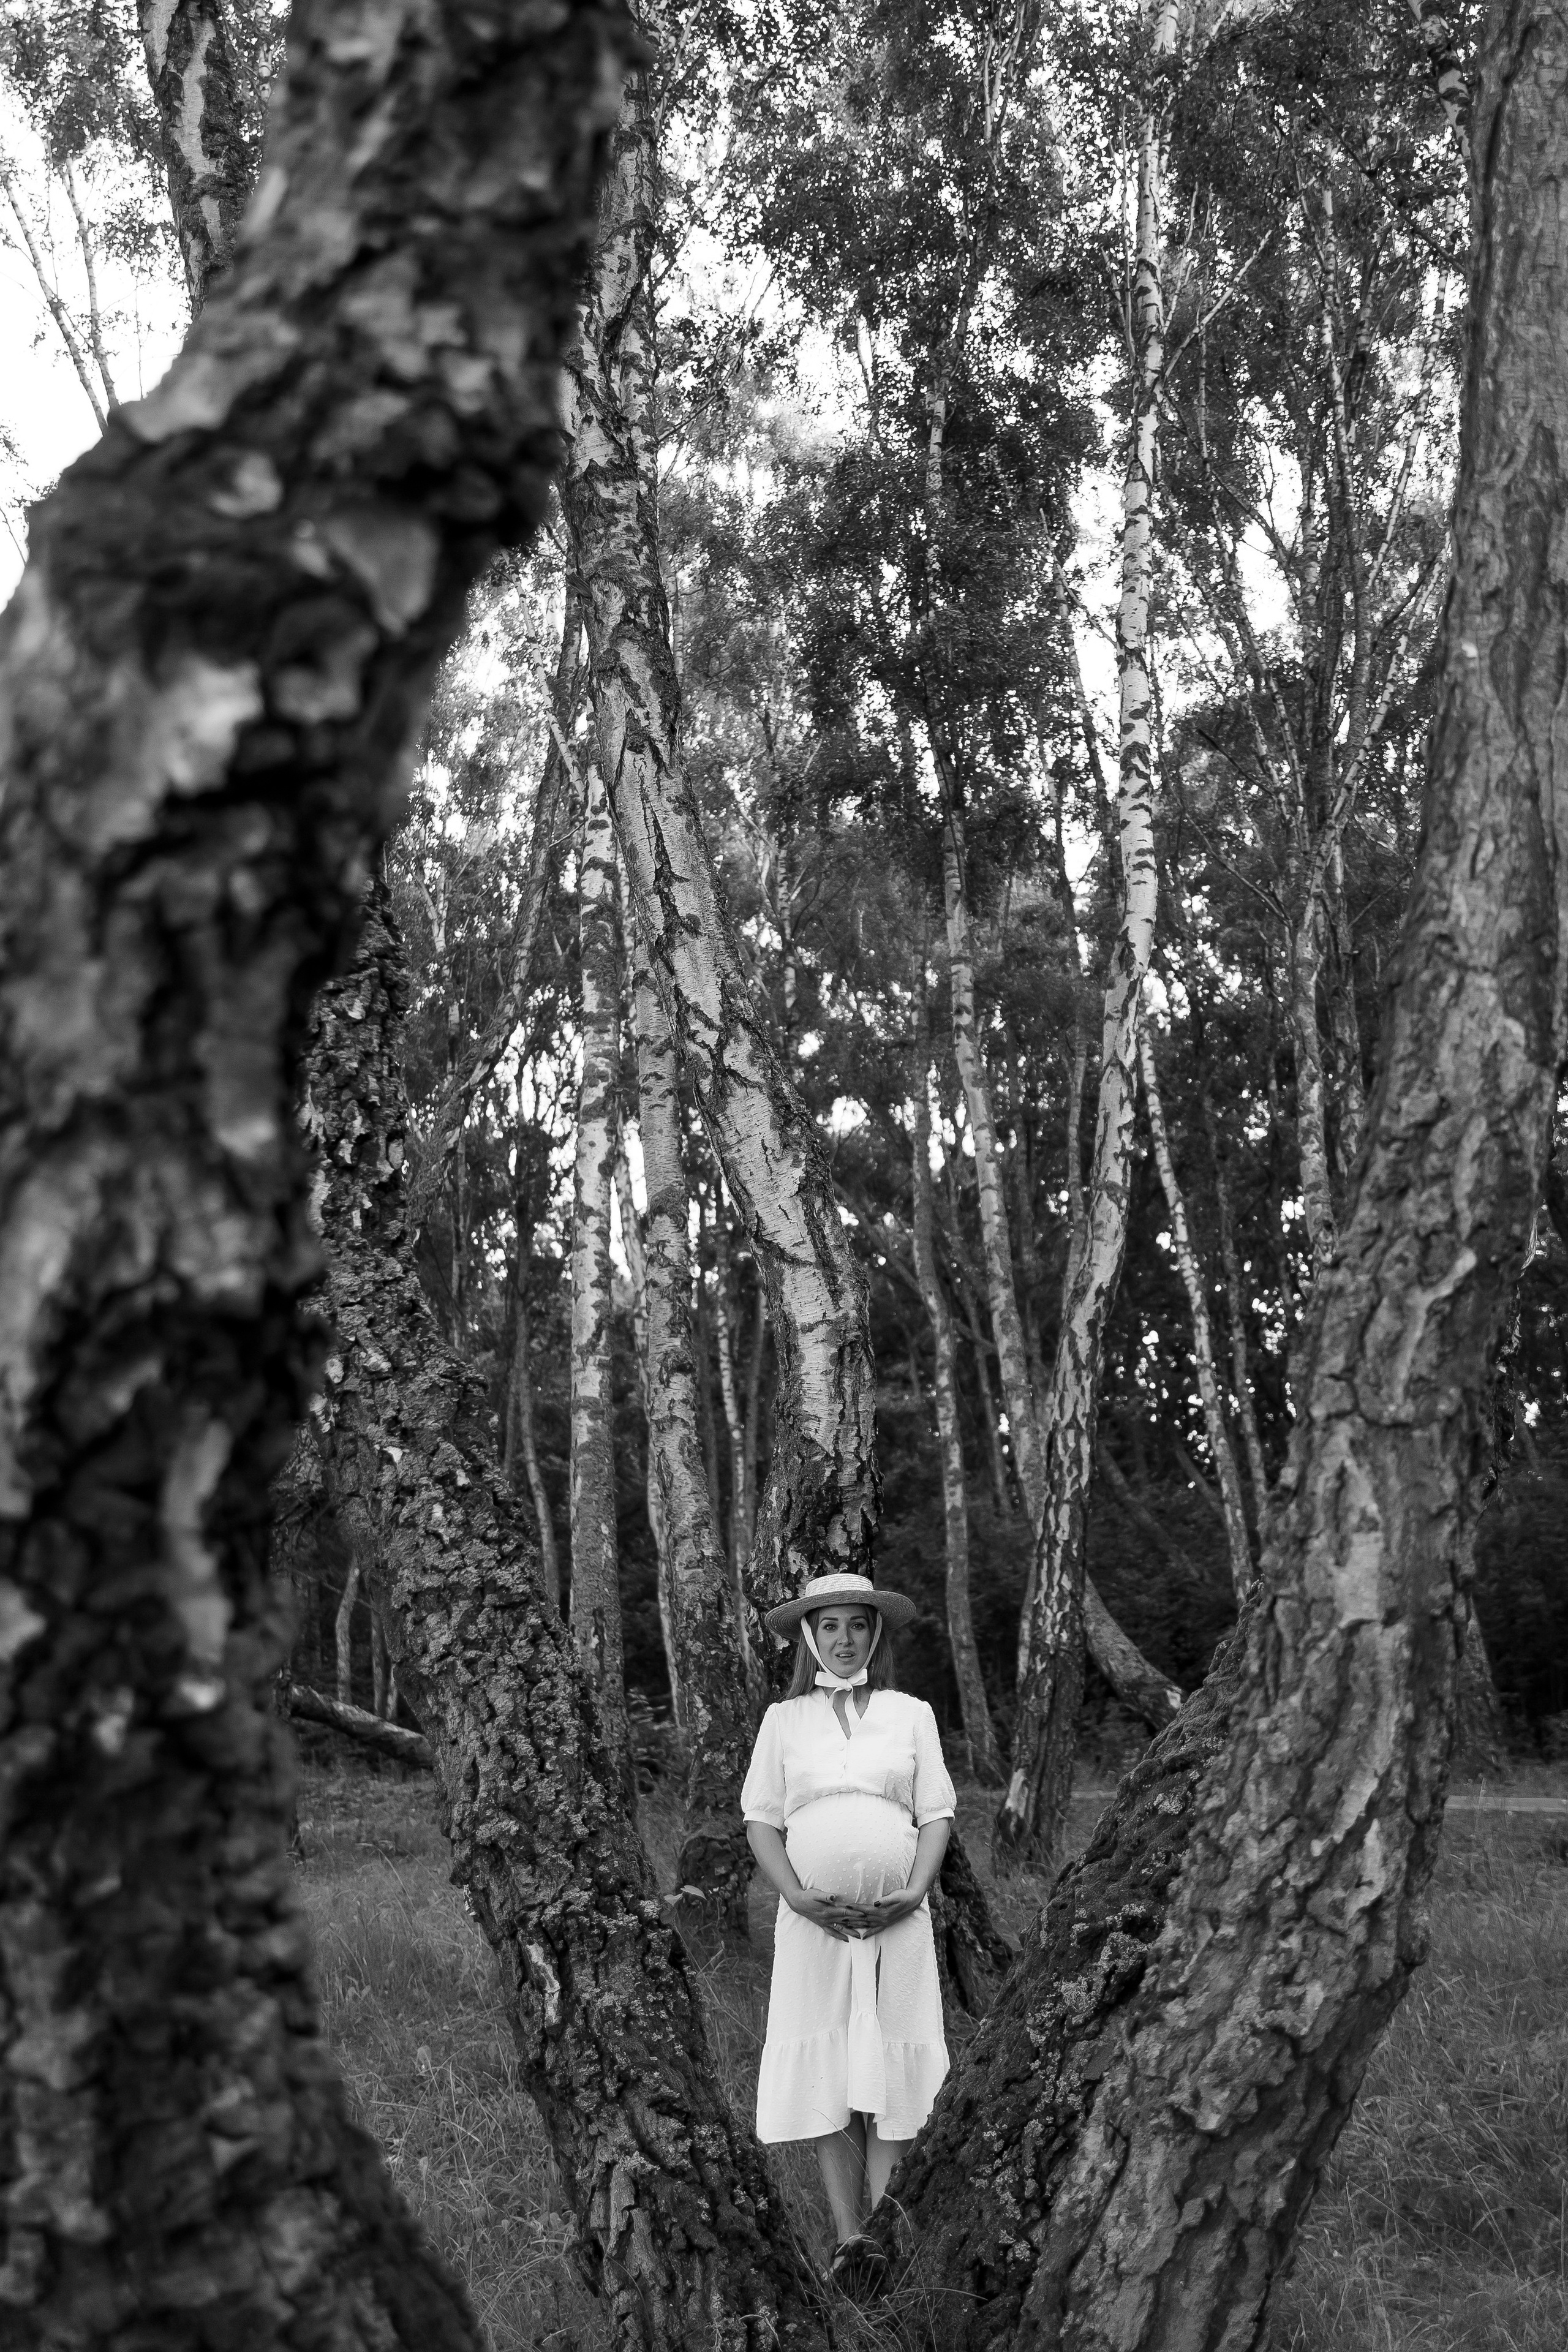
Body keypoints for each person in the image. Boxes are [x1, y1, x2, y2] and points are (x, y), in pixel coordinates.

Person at [741, 1570, 956, 2293]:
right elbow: (762, 1818)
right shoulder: (784, 1720)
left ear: (874, 1634)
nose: (843, 1638)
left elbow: (936, 1814)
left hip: (898, 1919)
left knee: (890, 2071)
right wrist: (797, 1896)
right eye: (829, 1626)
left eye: (857, 1625)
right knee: (832, 2068)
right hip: (815, 1926)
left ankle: (888, 2232)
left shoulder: (909, 1713)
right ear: (809, 1635)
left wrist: (914, 1892)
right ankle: (848, 2241)